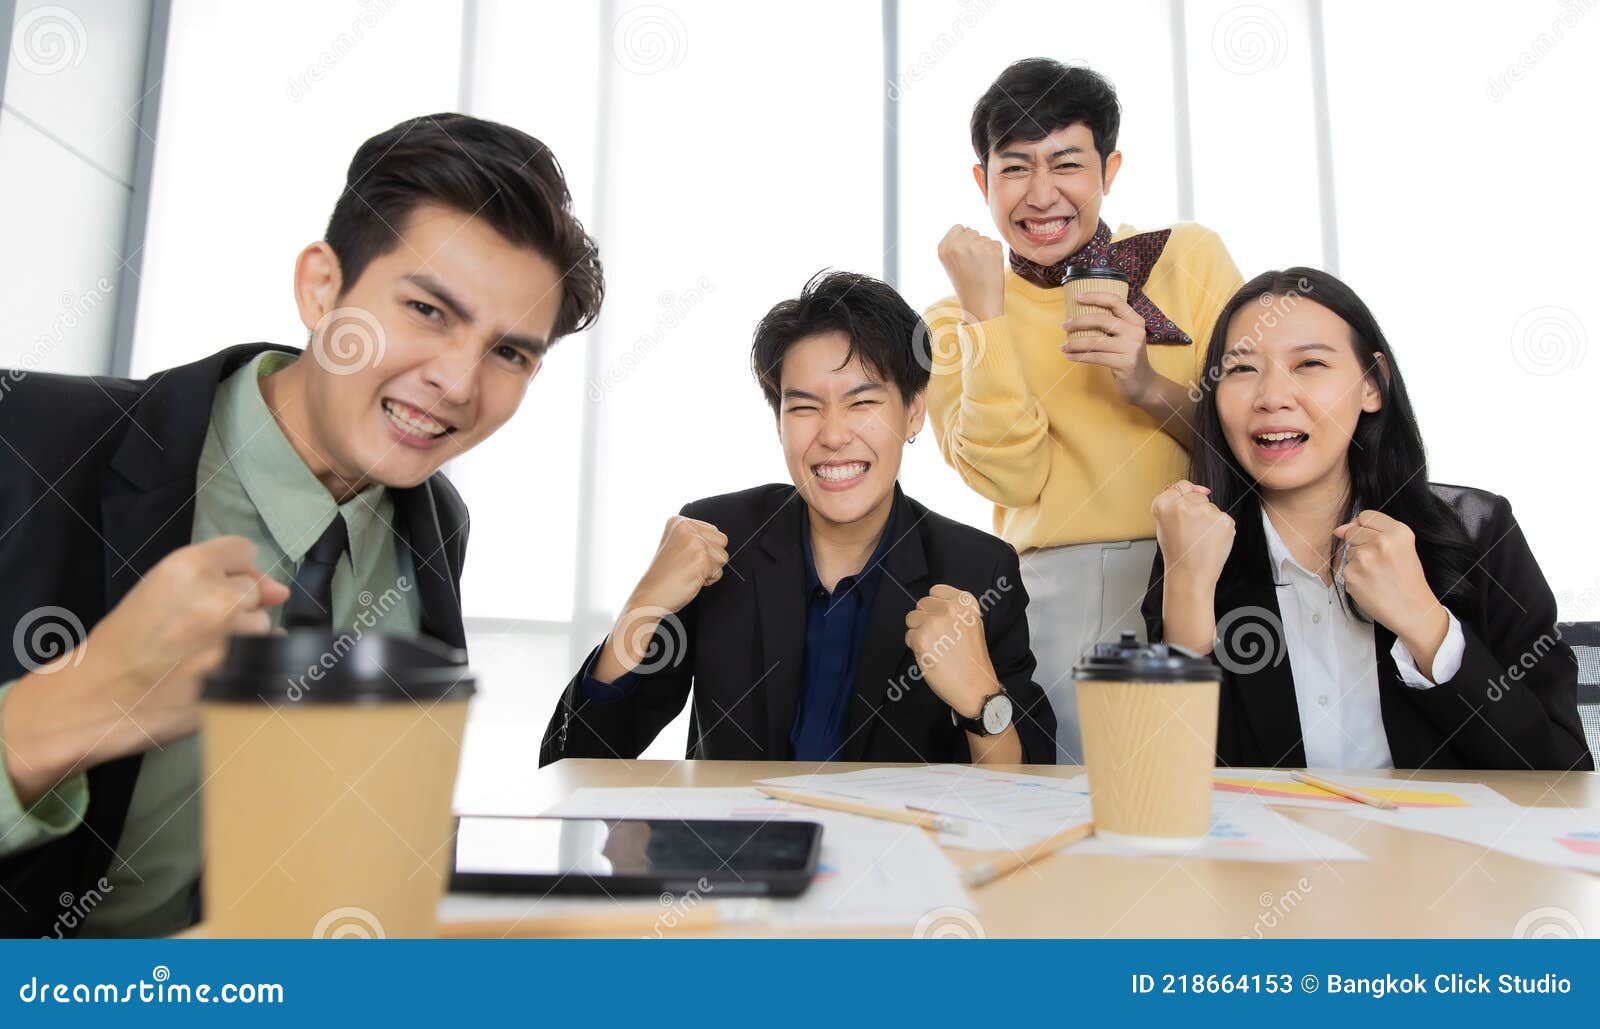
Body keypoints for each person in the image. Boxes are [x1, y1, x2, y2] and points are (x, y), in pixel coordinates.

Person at [0, 113, 605, 937]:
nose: (459, 383)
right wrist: (75, 702)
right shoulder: (27, 442)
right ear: (323, 289)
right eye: (428, 309)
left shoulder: (436, 526)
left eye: (511, 354)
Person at [541, 271, 1055, 766]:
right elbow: (574, 761)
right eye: (804, 407)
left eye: (863, 403)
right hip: (738, 854)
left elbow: (1025, 799)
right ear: (779, 421)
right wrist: (642, 606)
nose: (833, 436)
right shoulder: (719, 541)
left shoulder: (978, 569)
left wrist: (981, 701)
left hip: (893, 854)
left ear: (915, 410)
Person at [1144, 268, 1591, 771]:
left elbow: (1562, 773)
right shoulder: (1193, 543)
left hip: (1438, 850)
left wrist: (1428, 626)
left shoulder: (1478, 532)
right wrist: (1186, 599)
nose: (1272, 396)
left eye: (1310, 363)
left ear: (1372, 386)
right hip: (1267, 850)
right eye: (1242, 369)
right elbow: (1164, 791)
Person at [924, 58, 1243, 763]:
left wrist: (1144, 383)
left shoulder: (1187, 256)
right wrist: (987, 316)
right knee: (1062, 813)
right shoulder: (952, 319)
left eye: (1066, 163)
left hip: (1207, 569)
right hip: (1048, 594)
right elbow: (1012, 480)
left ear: (1110, 169)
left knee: (1215, 800)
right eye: (1015, 169)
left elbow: (1257, 442)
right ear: (982, 182)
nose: (1041, 195)